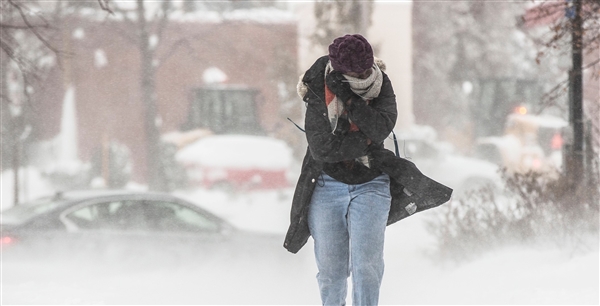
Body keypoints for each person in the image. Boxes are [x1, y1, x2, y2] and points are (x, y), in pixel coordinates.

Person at [284, 34, 453, 306]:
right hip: (327, 184)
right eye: (355, 72)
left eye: (366, 69)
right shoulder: (318, 84)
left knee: (367, 268)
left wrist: (350, 99)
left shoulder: (380, 83)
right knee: (332, 272)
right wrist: (365, 142)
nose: (363, 75)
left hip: (372, 183)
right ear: (339, 69)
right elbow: (322, 149)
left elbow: (380, 129)